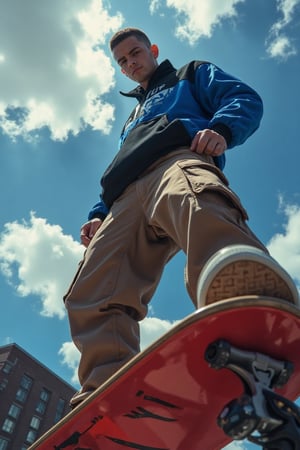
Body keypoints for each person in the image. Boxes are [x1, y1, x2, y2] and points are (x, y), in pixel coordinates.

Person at [64, 28, 299, 408]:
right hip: (124, 199)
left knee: (200, 209)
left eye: (135, 53)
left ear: (153, 50)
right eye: (122, 61)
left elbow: (242, 97)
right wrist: (98, 213)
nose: (130, 63)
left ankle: (249, 309)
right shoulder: (131, 119)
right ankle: (106, 393)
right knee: (91, 289)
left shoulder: (188, 74)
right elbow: (120, 166)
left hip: (175, 161)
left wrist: (222, 128)